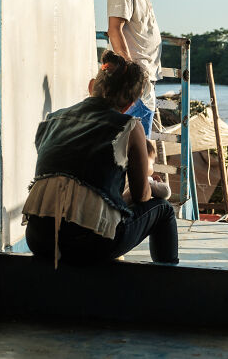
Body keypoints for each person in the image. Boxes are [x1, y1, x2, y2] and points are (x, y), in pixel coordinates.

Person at [22, 51, 179, 268]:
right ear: (130, 103)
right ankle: (169, 280)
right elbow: (141, 196)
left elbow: (71, 177)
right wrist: (153, 187)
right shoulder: (130, 126)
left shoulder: (52, 120)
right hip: (91, 243)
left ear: (91, 86)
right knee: (163, 209)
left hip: (38, 239)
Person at [107, 0, 192, 136]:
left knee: (139, 140)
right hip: (134, 80)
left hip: (144, 78)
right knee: (133, 143)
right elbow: (114, 29)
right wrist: (131, 73)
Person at [123, 139, 171, 204]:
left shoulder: (124, 171)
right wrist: (159, 183)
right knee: (164, 204)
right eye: (152, 164)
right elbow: (166, 191)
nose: (153, 169)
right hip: (123, 209)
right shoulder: (143, 179)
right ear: (144, 160)